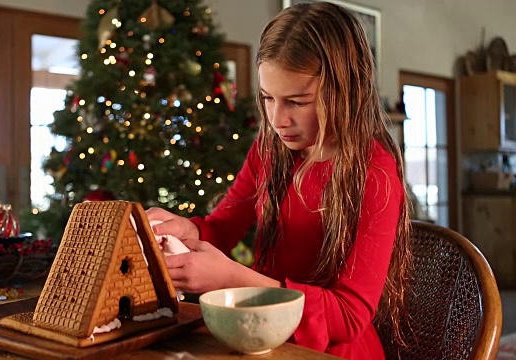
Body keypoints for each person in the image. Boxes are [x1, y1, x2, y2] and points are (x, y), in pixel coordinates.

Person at [146, 2, 411, 359]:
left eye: (297, 102)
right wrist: (186, 232)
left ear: (345, 91)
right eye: (268, 98)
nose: (277, 120)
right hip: (262, 339)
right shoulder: (270, 149)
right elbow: (222, 227)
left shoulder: (374, 172)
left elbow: (349, 316)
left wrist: (232, 278)